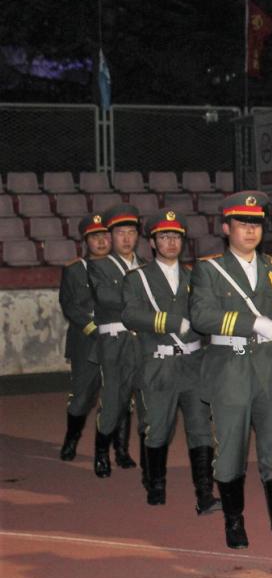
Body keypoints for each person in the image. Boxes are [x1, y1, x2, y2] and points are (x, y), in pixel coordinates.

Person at [189, 191, 272, 558]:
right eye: (243, 223)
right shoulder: (209, 269)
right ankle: (234, 520)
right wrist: (251, 322)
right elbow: (201, 316)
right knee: (231, 451)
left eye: (256, 223)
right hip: (231, 369)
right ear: (226, 228)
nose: (251, 230)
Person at [121, 211, 219, 513]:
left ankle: (205, 494)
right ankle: (156, 485)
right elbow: (130, 315)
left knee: (201, 429)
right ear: (152, 242)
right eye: (164, 237)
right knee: (157, 428)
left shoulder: (196, 276)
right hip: (159, 365)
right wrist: (171, 322)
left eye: (176, 236)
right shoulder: (138, 278)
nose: (171, 242)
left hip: (193, 363)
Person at [88, 203, 144, 477]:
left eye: (131, 232)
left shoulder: (146, 266)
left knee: (131, 398)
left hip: (140, 341)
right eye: (120, 233)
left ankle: (121, 450)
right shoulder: (99, 266)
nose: (126, 238)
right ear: (110, 236)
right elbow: (106, 298)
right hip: (114, 340)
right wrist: (140, 301)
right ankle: (101, 452)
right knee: (112, 397)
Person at [57, 213, 111, 461]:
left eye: (105, 235)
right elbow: (69, 305)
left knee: (117, 397)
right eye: (95, 237)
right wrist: (92, 328)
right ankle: (71, 440)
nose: (101, 241)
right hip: (86, 341)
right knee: (81, 397)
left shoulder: (123, 268)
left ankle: (115, 450)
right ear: (86, 241)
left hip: (117, 340)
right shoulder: (74, 270)